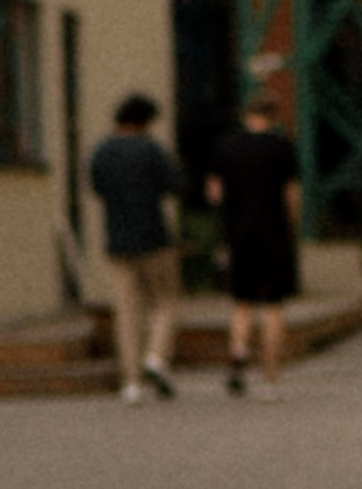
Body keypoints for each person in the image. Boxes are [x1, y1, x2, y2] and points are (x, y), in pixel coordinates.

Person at [86, 93, 183, 404]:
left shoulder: (101, 152)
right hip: (154, 238)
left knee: (126, 311)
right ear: (145, 122)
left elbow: (97, 188)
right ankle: (155, 356)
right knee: (165, 301)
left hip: (118, 240)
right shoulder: (151, 150)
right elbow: (174, 186)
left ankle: (131, 382)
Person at [205, 90, 303, 400]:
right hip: (273, 234)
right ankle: (271, 378)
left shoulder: (226, 147)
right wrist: (292, 227)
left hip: (238, 234)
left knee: (242, 302)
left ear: (247, 115)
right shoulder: (282, 148)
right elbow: (291, 196)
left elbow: (215, 194)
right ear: (272, 118)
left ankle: (239, 351)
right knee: (273, 306)